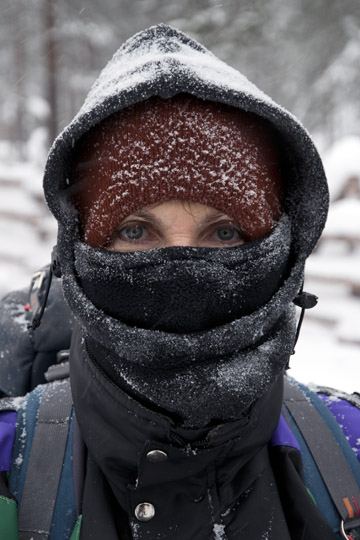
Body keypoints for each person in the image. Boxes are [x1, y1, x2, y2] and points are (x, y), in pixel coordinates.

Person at [0, 23, 359, 540]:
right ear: (77, 254)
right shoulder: (10, 466)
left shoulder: (350, 452)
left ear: (283, 252)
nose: (182, 268)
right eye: (134, 230)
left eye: (225, 232)